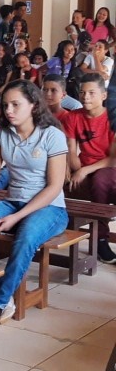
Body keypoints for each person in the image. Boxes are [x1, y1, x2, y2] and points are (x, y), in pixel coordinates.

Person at [0, 80, 68, 327]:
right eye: (6, 105)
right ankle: (4, 296)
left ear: (33, 105)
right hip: (13, 202)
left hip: (50, 208)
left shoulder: (52, 135)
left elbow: (54, 188)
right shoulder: (3, 133)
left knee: (26, 237)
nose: (9, 110)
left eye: (16, 104)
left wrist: (17, 218)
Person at [61, 73, 116, 263]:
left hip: (107, 165)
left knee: (100, 181)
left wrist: (84, 171)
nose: (85, 97)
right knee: (58, 180)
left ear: (103, 95)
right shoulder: (73, 117)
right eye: (83, 93)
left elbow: (112, 160)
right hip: (84, 164)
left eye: (92, 93)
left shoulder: (112, 117)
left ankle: (101, 237)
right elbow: (70, 148)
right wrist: (76, 168)